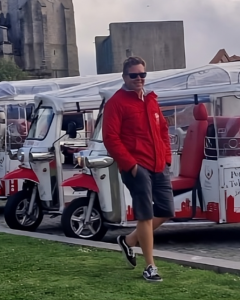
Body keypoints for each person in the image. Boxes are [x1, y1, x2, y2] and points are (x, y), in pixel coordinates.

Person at [102, 56, 174, 282]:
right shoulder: (116, 103)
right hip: (137, 166)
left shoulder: (151, 100)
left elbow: (163, 130)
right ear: (125, 77)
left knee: (166, 210)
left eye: (142, 74)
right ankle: (150, 266)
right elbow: (110, 138)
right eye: (134, 75)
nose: (139, 79)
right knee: (145, 214)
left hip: (159, 164)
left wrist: (167, 157)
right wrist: (131, 165)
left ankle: (129, 240)